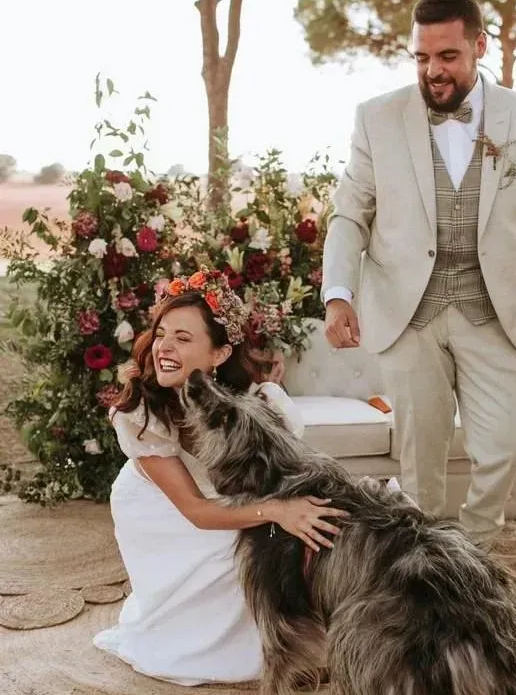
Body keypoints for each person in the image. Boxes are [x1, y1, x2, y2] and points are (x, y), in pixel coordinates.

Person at [322, 0, 516, 549]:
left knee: (509, 444)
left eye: (447, 56)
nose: (432, 70)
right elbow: (349, 216)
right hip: (408, 314)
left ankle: (474, 555)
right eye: (421, 56)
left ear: (479, 45)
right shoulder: (377, 118)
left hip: (496, 312)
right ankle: (423, 575)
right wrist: (339, 293)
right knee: (420, 468)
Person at [93, 269, 347, 686]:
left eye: (184, 338)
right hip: (163, 508)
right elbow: (196, 510)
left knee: (300, 535)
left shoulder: (256, 403)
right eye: (161, 333)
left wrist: (302, 509)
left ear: (219, 355)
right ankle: (242, 649)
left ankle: (310, 632)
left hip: (226, 501)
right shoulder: (142, 413)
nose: (165, 347)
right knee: (238, 550)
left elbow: (287, 474)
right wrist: (278, 511)